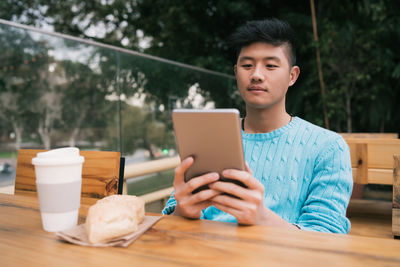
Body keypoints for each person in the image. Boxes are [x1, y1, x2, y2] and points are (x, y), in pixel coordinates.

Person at [162, 18, 353, 233]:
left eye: (270, 66)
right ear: (236, 72)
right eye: (247, 65)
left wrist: (262, 218)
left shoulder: (328, 147)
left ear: (292, 75)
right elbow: (172, 216)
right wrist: (182, 210)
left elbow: (328, 237)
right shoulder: (209, 137)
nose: (256, 75)